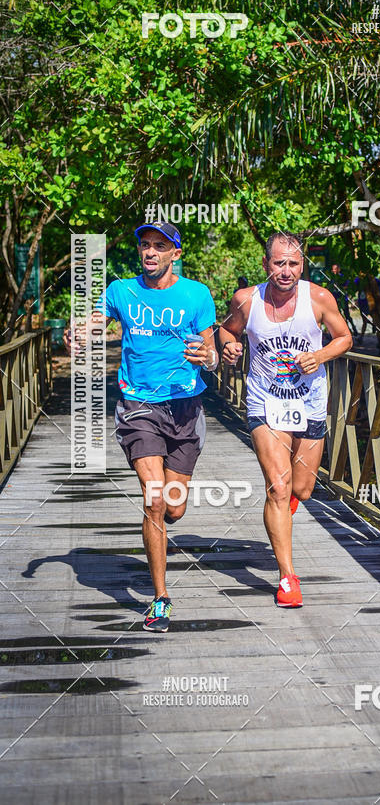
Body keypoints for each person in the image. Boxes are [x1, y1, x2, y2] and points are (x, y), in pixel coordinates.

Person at [64, 220, 218, 633]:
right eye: (145, 245)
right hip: (138, 407)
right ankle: (160, 598)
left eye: (159, 246)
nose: (149, 252)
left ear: (175, 254)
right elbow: (98, 319)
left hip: (185, 407)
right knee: (153, 500)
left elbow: (211, 348)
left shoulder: (197, 294)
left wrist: (210, 357)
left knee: (173, 508)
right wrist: (80, 331)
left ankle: (160, 530)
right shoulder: (121, 291)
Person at [219, 232, 353, 607]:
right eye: (279, 263)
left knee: (302, 490)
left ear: (302, 266)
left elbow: (344, 338)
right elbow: (226, 331)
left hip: (309, 401)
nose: (286, 271)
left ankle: (283, 515)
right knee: (278, 488)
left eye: (294, 264)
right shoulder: (247, 300)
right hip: (265, 403)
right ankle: (287, 577)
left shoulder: (319, 298)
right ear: (266, 265)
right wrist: (229, 346)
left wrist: (321, 355)